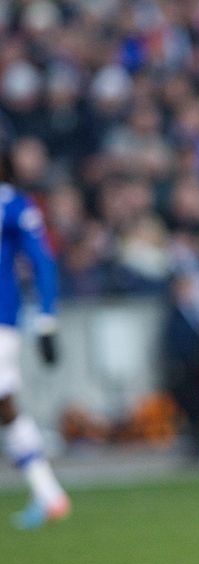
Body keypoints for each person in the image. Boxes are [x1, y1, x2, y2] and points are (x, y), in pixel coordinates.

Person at [0, 151, 71, 530]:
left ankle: (48, 493)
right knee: (6, 407)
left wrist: (46, 318)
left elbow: (42, 260)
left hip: (1, 321)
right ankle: (48, 494)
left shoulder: (12, 204)